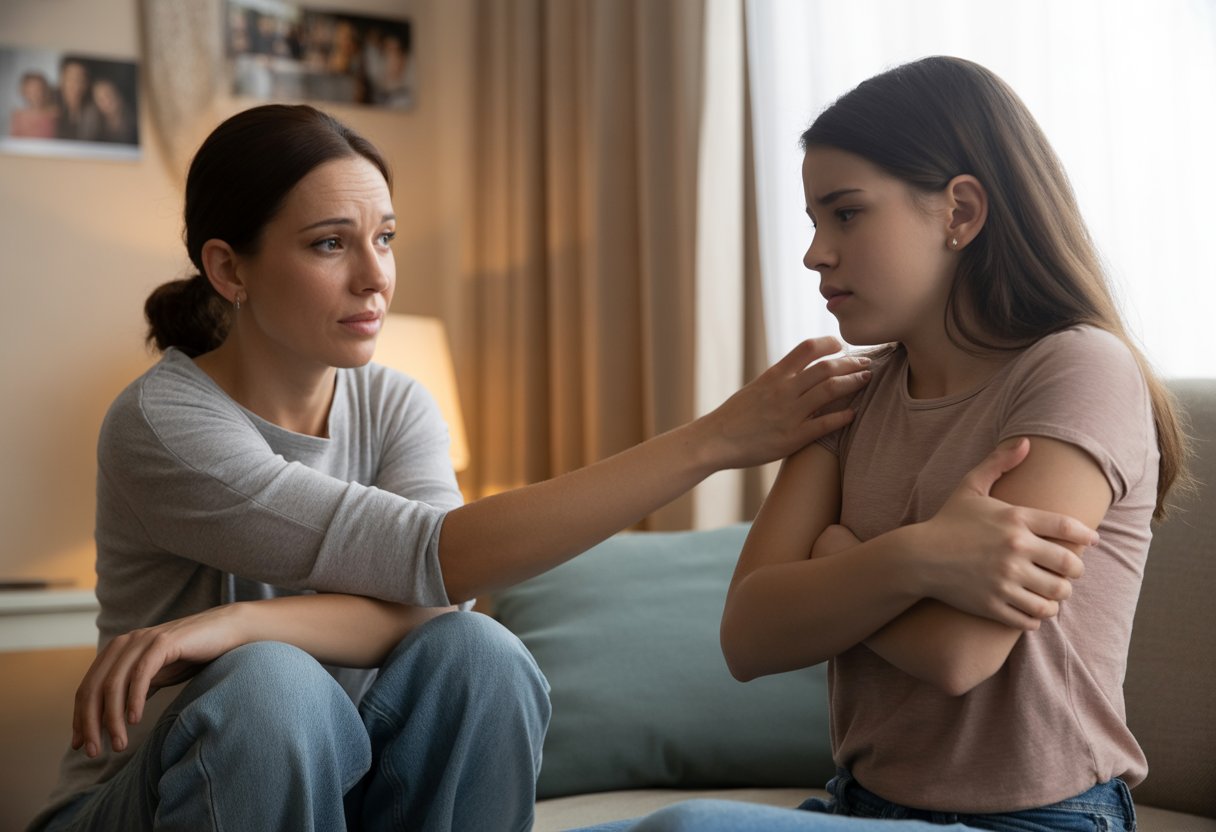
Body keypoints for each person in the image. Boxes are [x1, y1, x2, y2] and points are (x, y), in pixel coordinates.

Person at [26, 103, 873, 832]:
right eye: (330, 244)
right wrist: (718, 438)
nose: (375, 278)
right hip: (146, 800)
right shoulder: (164, 422)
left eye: (384, 239)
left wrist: (229, 625)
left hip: (345, 786)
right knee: (272, 686)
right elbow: (439, 556)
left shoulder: (396, 403)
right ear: (228, 268)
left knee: (480, 652)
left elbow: (442, 602)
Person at [575, 55, 1188, 832]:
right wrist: (920, 556)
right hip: (859, 806)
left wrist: (833, 558)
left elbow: (960, 653)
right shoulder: (852, 394)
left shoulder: (1078, 368)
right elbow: (749, 633)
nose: (815, 253)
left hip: (1041, 819)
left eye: (847, 213)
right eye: (813, 221)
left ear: (960, 211)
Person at [55, 58, 101, 142]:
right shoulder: (50, 102)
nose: (76, 84)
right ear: (62, 80)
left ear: (87, 84)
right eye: (71, 78)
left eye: (80, 79)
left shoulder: (94, 111)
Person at [8, 71, 59, 139]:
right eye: (32, 91)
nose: (36, 94)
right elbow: (13, 140)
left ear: (45, 90)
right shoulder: (18, 116)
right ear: (24, 91)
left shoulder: (54, 114)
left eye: (39, 89)